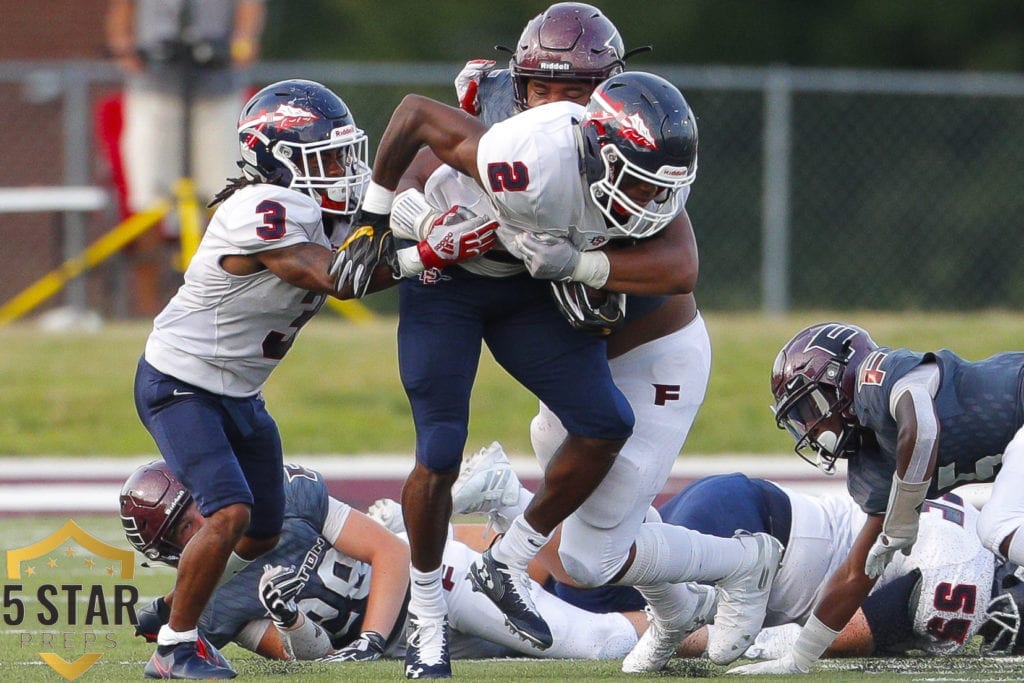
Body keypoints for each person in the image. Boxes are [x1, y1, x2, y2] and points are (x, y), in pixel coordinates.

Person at [331, 62, 782, 676]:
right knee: (440, 451)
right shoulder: (526, 152)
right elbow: (416, 127)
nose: (556, 101)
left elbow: (679, 268)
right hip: (450, 288)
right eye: (541, 90)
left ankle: (510, 556)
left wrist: (581, 265)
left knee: (600, 445)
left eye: (572, 90)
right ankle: (428, 619)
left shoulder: (634, 151)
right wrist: (385, 220)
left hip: (545, 305)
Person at [128, 78, 495, 679]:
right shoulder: (260, 208)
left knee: (264, 529)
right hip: (181, 385)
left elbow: (363, 260)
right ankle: (173, 648)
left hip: (238, 391)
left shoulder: (316, 206)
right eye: (324, 157)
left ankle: (176, 606)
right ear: (275, 158)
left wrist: (424, 222)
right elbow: (332, 275)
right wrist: (427, 253)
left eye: (343, 155)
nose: (341, 170)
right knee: (229, 514)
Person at [457, 460, 1014, 662]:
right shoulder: (962, 576)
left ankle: (464, 540)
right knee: (588, 604)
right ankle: (507, 502)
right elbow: (850, 632)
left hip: (747, 505)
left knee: (578, 582)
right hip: (754, 538)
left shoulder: (964, 518)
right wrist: (744, 642)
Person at [120, 461, 646, 664]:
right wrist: (292, 621)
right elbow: (310, 657)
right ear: (165, 551)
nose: (201, 527)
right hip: (404, 642)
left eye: (194, 511)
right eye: (182, 529)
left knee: (595, 642)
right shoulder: (210, 610)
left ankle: (707, 617)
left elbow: (390, 553)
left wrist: (369, 639)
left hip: (435, 588)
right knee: (545, 645)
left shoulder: (281, 501)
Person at [731, 321, 1024, 674]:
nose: (810, 428)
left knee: (1000, 525)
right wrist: (800, 658)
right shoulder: (874, 465)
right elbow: (857, 572)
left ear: (836, 380)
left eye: (808, 410)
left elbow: (922, 427)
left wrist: (902, 513)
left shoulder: (876, 378)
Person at [105, 0, 266, 316]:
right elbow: (122, 8)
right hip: (153, 89)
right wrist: (123, 44)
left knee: (225, 202)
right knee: (146, 206)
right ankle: (149, 311)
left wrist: (243, 40)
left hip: (217, 91)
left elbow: (249, 8)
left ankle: (217, 304)